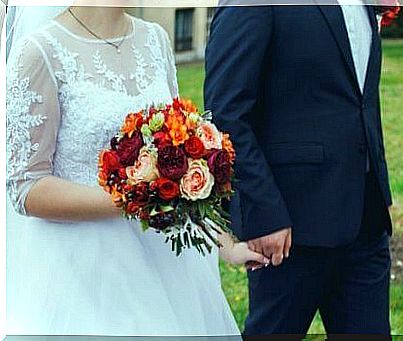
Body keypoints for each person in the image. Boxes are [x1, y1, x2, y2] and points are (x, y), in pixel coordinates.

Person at [6, 3, 266, 335]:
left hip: (168, 266)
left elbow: (179, 162)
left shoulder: (155, 40)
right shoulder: (40, 51)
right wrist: (137, 199)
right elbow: (27, 187)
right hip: (81, 273)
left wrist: (226, 245)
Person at [205, 2, 393, 337]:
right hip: (289, 227)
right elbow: (226, 112)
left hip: (366, 220)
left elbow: (358, 98)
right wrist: (263, 212)